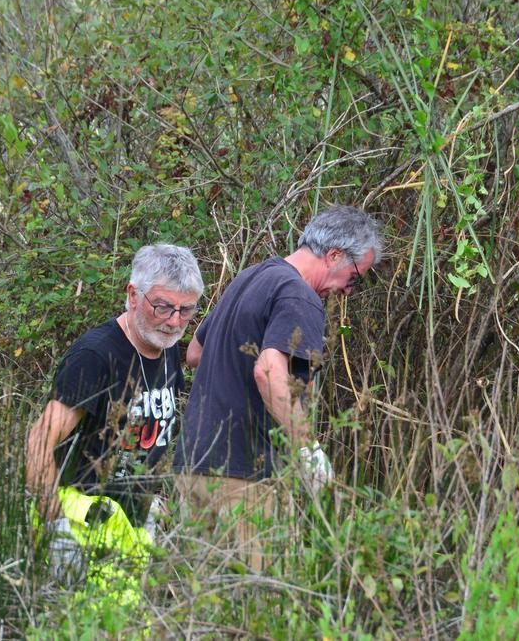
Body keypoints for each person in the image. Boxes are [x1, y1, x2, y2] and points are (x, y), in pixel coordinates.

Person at [173, 205, 381, 570]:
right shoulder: (300, 296)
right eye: (354, 277)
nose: (348, 291)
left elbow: (194, 353)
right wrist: (308, 453)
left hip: (193, 465)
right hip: (245, 475)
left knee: (202, 605)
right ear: (334, 256)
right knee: (270, 599)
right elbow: (269, 370)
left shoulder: (251, 277)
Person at [26, 244, 203, 577]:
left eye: (187, 309)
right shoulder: (96, 355)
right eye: (163, 307)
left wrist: (151, 507)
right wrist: (56, 529)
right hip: (83, 517)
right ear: (134, 295)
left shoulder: (166, 348)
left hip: (132, 523)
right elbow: (39, 443)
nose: (174, 321)